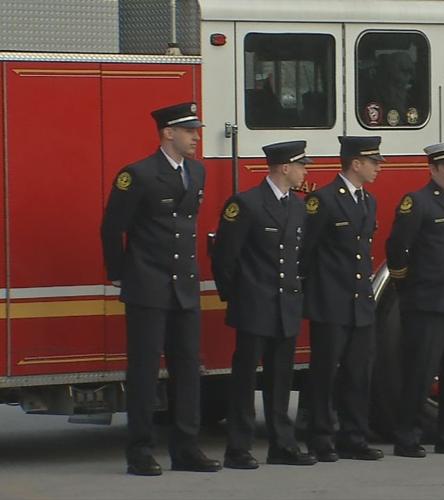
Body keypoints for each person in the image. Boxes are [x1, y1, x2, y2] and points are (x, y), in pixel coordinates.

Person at [100, 102, 220, 476]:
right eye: (189, 131)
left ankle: (186, 448)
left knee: (188, 367)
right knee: (145, 370)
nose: (196, 137)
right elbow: (112, 227)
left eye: (196, 131)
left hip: (184, 283)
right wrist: (120, 274)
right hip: (148, 283)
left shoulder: (196, 172)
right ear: (168, 133)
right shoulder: (138, 174)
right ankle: (139, 450)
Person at [211, 140, 317, 469]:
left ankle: (282, 445)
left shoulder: (297, 206)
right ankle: (238, 448)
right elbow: (224, 257)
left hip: (285, 304)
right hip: (254, 304)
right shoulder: (247, 204)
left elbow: (299, 256)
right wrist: (239, 296)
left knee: (280, 378)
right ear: (284, 167)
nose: (305, 172)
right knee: (245, 379)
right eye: (301, 166)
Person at [386, 141, 444, 458]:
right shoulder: (418, 202)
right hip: (428, 301)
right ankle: (407, 435)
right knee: (420, 372)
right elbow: (397, 247)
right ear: (433, 170)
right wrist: (406, 286)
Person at [302, 136, 385, 462]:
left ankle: (354, 436)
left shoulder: (368, 201)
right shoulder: (323, 200)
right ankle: (321, 437)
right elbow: (306, 252)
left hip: (360, 302)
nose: (378, 168)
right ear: (356, 163)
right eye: (373, 162)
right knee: (325, 373)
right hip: (331, 301)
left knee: (358, 373)